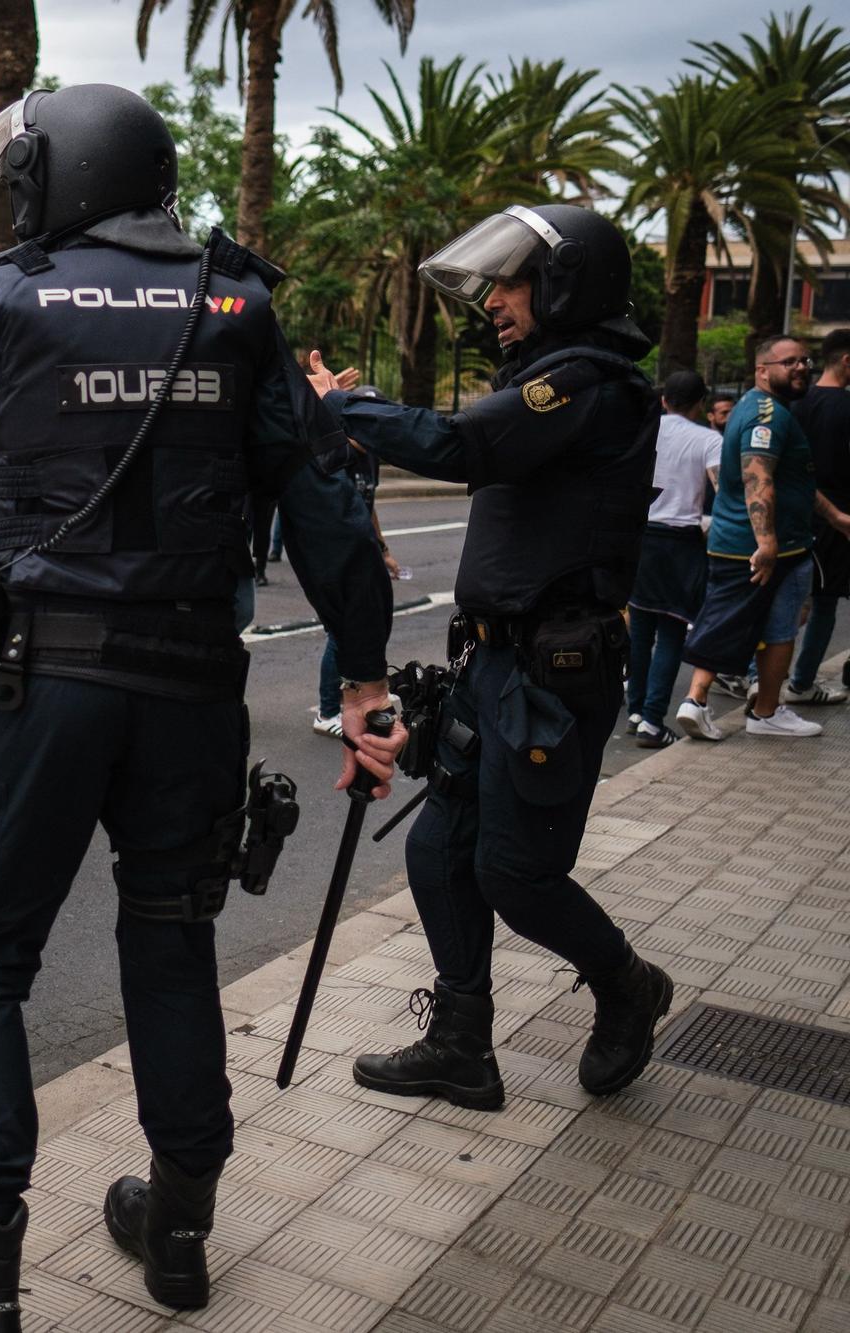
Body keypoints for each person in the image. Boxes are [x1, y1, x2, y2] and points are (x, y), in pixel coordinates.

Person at [0, 86, 402, 1325]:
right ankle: (176, 1233)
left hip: (29, 686)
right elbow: (325, 502)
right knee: (169, 942)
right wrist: (367, 682)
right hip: (189, 689)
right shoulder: (238, 303)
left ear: (60, 176)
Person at [309, 204, 676, 1126]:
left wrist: (339, 406)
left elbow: (458, 445)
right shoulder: (550, 379)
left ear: (564, 286)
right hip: (493, 667)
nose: (496, 304)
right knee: (439, 849)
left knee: (516, 873)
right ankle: (463, 1047)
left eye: (513, 285)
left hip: (553, 676)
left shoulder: (587, 386)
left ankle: (626, 983)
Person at [677, 336, 840, 740]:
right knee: (780, 627)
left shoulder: (766, 408)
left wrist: (836, 517)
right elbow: (758, 477)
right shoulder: (767, 415)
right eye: (790, 362)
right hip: (770, 547)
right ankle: (766, 711)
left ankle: (696, 701)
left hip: (752, 543)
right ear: (763, 370)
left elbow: (791, 480)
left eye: (805, 360)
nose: (802, 367)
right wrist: (767, 543)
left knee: (729, 618)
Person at [625, 370, 723, 748]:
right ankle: (652, 720)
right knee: (670, 631)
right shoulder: (708, 439)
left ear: (664, 400)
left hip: (640, 537)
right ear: (700, 404)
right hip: (681, 542)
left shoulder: (645, 430)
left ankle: (635, 711)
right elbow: (722, 489)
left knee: (640, 629)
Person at [311, 440, 398, 738]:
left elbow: (369, 508)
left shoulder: (370, 458)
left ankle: (351, 697)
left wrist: (383, 550)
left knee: (359, 627)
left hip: (361, 553)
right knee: (340, 633)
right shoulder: (335, 456)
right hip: (336, 553)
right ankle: (326, 711)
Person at [790, 328, 850, 702]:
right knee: (825, 603)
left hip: (798, 514)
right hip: (838, 519)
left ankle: (757, 678)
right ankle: (801, 682)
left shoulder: (796, 403)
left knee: (789, 600)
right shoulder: (844, 407)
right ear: (847, 360)